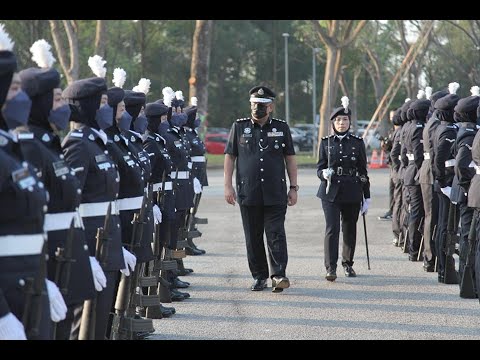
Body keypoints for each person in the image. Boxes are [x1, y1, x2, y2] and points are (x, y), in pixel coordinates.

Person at [224, 85, 297, 293]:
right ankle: (259, 276)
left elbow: (290, 158)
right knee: (253, 236)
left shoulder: (281, 128)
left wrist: (294, 187)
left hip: (275, 192)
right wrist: (228, 186)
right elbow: (230, 157)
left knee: (275, 234)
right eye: (255, 104)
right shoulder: (239, 127)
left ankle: (279, 274)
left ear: (271, 107)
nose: (258, 108)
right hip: (249, 191)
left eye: (263, 105)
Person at [316, 96, 370, 281]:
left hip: (352, 189)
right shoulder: (325, 142)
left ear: (349, 122)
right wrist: (324, 174)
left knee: (349, 229)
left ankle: (348, 264)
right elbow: (319, 168)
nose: (341, 123)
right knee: (332, 228)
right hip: (330, 191)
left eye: (345, 120)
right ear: (333, 122)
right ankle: (330, 267)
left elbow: (363, 170)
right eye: (338, 120)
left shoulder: (357, 142)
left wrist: (367, 196)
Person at [378, 109, 396, 221]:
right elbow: (389, 149)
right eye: (390, 117)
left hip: (399, 165)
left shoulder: (402, 129)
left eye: (394, 116)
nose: (392, 119)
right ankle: (391, 209)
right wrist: (385, 145)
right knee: (391, 189)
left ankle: (396, 211)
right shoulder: (391, 130)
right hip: (392, 164)